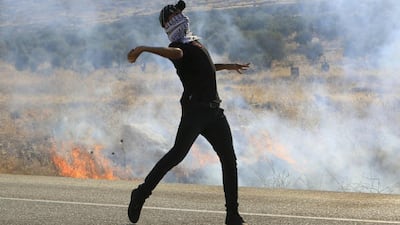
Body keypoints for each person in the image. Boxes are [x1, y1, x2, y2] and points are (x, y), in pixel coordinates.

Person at [127, 1, 250, 224]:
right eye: (176, 14)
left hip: (214, 112)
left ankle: (232, 214)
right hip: (195, 112)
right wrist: (144, 48)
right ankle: (141, 193)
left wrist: (228, 66)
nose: (182, 17)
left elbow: (206, 68)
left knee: (229, 160)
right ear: (170, 23)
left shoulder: (194, 44)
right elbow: (174, 53)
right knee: (176, 155)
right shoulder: (179, 48)